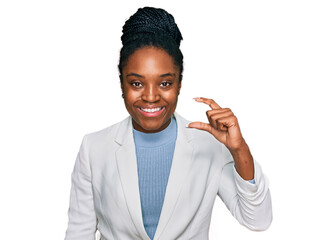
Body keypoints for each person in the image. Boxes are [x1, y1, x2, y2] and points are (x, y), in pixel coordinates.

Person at [65, 7, 272, 240]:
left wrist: (239, 149)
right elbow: (78, 232)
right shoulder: (94, 147)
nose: (151, 96)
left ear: (179, 84)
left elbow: (258, 220)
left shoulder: (210, 146)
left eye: (164, 83)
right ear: (122, 83)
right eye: (136, 83)